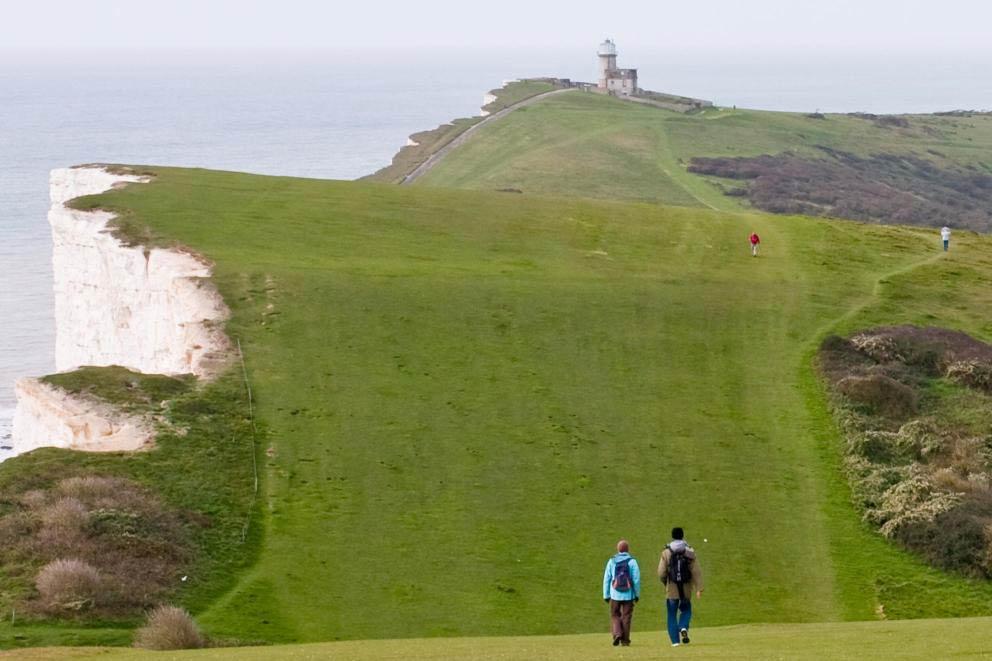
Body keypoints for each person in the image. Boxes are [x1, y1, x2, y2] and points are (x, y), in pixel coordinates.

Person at [657, 527, 704, 647]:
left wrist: (665, 582)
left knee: (671, 614)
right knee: (686, 609)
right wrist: (699, 588)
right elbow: (696, 571)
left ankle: (675, 642)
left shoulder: (666, 552)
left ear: (672, 536)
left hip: (671, 588)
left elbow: (661, 572)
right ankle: (683, 626)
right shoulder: (689, 551)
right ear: (682, 536)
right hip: (686, 588)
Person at [602, 539, 641, 647]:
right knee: (626, 616)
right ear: (627, 549)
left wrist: (606, 595)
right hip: (628, 594)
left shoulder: (612, 561)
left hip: (615, 594)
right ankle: (625, 641)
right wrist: (637, 594)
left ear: (618, 549)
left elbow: (607, 578)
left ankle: (617, 633)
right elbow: (636, 579)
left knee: (615, 615)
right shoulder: (632, 561)